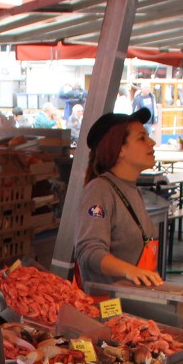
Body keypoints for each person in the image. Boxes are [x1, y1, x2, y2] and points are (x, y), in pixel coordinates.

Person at [74, 107, 164, 288]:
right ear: (119, 149)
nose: (152, 142)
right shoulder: (100, 190)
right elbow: (89, 252)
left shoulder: (129, 188)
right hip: (108, 307)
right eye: (142, 138)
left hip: (134, 302)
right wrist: (129, 270)